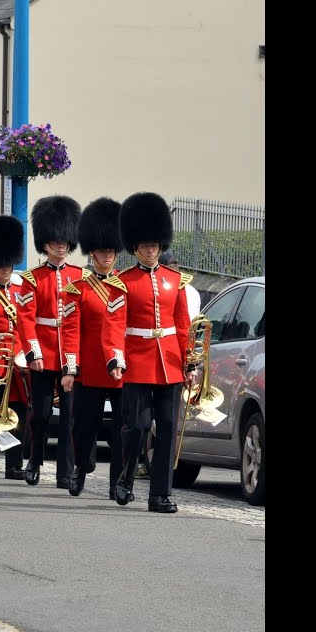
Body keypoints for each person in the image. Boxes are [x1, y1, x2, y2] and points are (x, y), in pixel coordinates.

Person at [112, 192, 195, 513]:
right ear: (135, 248)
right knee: (137, 427)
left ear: (161, 245)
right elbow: (115, 325)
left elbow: (183, 326)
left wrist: (190, 364)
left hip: (171, 364)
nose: (150, 251)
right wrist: (116, 357)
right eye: (144, 246)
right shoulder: (123, 282)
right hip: (137, 363)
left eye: (154, 246)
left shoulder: (175, 281)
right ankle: (126, 478)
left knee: (168, 430)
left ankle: (160, 494)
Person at [60, 198, 129, 498]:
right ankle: (79, 469)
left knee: (122, 429)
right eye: (102, 251)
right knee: (84, 426)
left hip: (119, 369)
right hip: (88, 369)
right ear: (92, 252)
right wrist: (70, 368)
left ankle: (117, 482)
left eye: (111, 251)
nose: (107, 256)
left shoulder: (124, 286)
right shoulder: (80, 288)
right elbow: (71, 330)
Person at [20, 196, 84, 489]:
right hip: (43, 352)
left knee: (70, 416)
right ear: (44, 242)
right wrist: (33, 352)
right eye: (54, 240)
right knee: (41, 415)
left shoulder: (80, 277)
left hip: (70, 353)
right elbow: (26, 319)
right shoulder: (32, 279)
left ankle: (65, 472)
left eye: (64, 240)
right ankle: (34, 459)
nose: (60, 245)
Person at [0, 215, 39, 481]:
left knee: (18, 411)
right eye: (1, 265)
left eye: (9, 264)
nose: (6, 269)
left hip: (19, 358)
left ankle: (13, 464)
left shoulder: (22, 288)